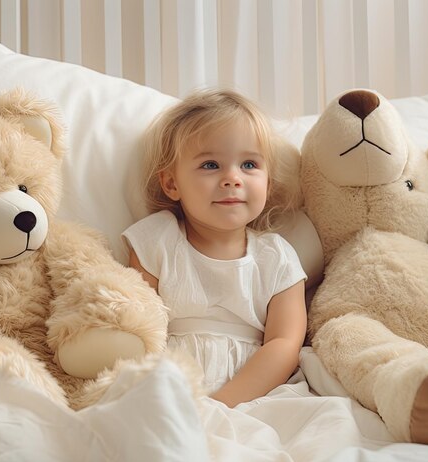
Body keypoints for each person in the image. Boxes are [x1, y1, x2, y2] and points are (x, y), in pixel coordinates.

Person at [122, 88, 307, 408]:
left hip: (257, 393)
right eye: (210, 165)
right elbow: (137, 326)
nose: (232, 178)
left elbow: (285, 343)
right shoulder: (157, 240)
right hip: (171, 385)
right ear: (172, 183)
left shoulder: (276, 257)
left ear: (269, 181)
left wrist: (224, 403)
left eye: (249, 164)